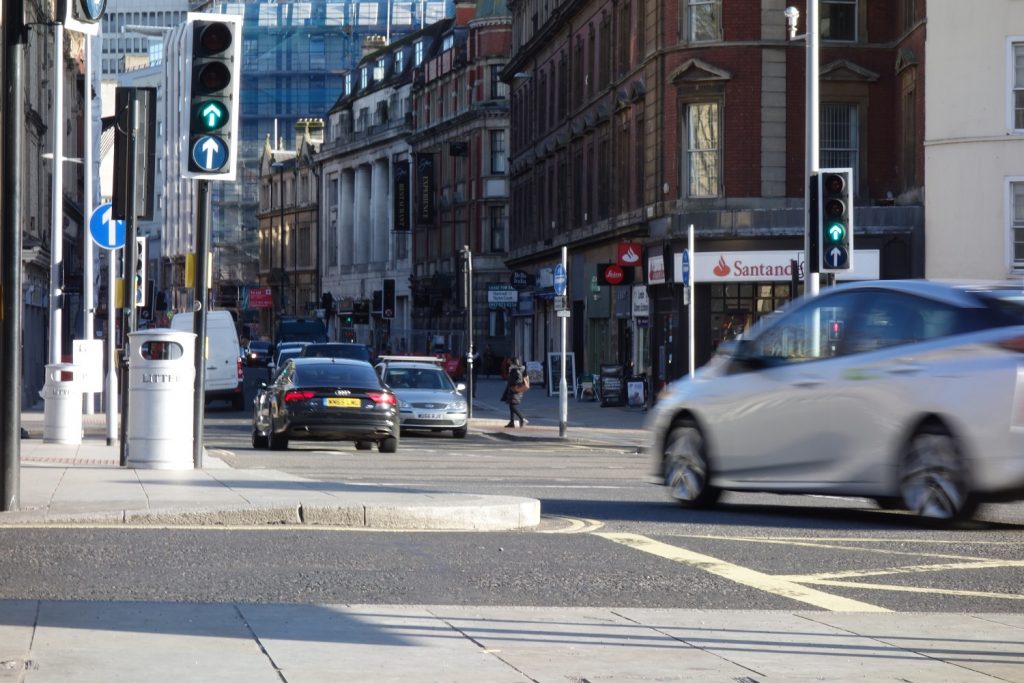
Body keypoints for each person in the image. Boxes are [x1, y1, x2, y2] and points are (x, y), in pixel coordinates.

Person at [501, 356, 528, 428]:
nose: (508, 363)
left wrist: (511, 383)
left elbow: (518, 380)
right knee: (511, 405)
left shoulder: (515, 370)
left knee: (513, 406)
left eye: (510, 361)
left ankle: (522, 419)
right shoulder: (517, 369)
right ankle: (512, 422)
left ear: (513, 362)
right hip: (515, 389)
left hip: (515, 390)